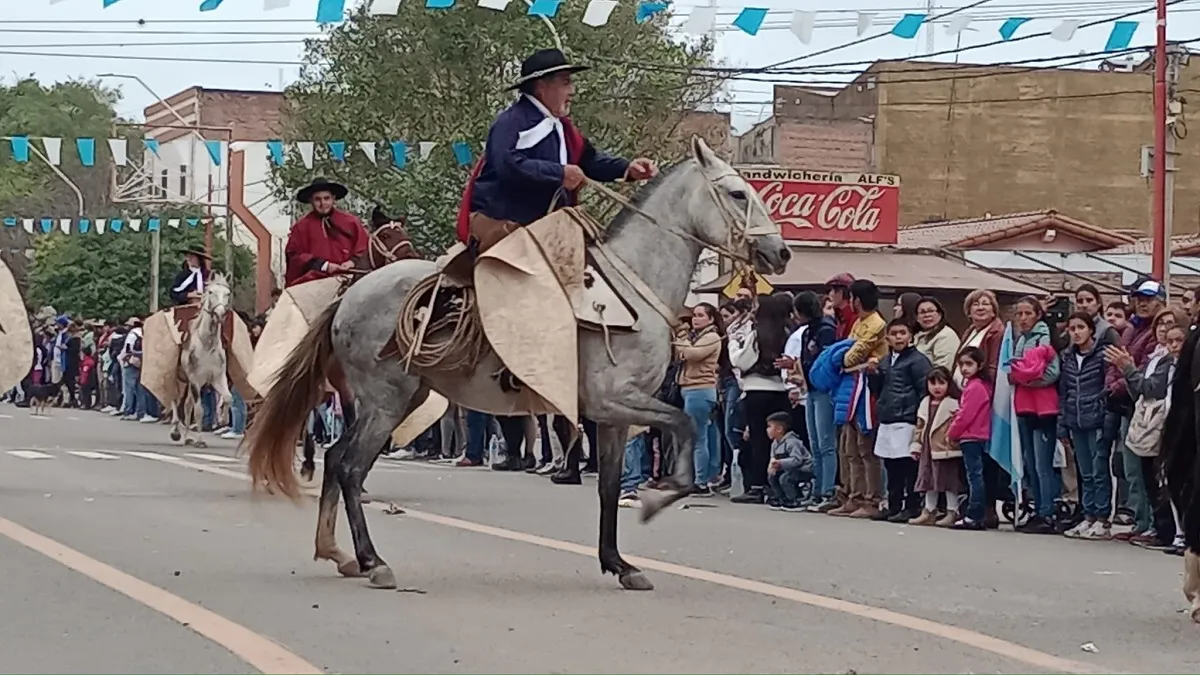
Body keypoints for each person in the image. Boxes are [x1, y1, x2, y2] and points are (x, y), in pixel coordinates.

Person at [458, 48, 657, 253]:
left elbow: (589, 161)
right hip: (502, 224)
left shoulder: (563, 128)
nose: (573, 91)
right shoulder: (510, 122)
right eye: (566, 83)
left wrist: (627, 168)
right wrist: (560, 173)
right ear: (541, 87)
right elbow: (507, 165)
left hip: (546, 227)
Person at [1107, 307, 1188, 548]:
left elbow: (1152, 388)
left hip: (1165, 423)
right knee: (1138, 474)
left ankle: (1165, 529)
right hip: (1144, 419)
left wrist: (1128, 369)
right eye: (1161, 324)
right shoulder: (1156, 354)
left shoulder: (1171, 361)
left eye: (1170, 323)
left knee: (1160, 479)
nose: (1164, 329)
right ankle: (1146, 523)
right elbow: (1138, 391)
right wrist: (1129, 371)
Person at [1104, 276, 1167, 540]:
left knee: (1145, 469)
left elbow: (1137, 369)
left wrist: (1118, 381)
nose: (1142, 304)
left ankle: (1152, 523)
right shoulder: (1132, 329)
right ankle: (1141, 522)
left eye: (1148, 299)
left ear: (1161, 301)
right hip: (1128, 406)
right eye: (1138, 299)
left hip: (1147, 408)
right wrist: (1113, 382)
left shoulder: (1156, 334)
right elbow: (1115, 362)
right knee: (1130, 468)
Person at [829, 278, 887, 519]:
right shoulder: (860, 322)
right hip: (850, 386)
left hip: (866, 389)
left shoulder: (875, 324)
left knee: (865, 448)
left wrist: (838, 358)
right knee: (848, 447)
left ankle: (871, 499)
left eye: (851, 298)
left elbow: (851, 356)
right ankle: (852, 496)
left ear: (858, 300)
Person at [728, 294, 792, 504]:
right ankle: (776, 484)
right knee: (778, 439)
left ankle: (757, 486)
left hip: (757, 389)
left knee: (758, 439)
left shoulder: (757, 334)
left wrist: (732, 345)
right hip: (781, 390)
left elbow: (741, 361)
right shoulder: (788, 332)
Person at [1008, 296, 1062, 534]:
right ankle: (1037, 507)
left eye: (1028, 313)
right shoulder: (1020, 339)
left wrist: (1025, 378)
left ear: (1038, 315)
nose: (1023, 318)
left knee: (1042, 464)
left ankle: (1047, 512)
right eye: (1019, 314)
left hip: (1043, 406)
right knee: (1030, 462)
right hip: (1025, 405)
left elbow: (1051, 372)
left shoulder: (1043, 338)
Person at [871, 318, 932, 523]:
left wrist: (920, 415)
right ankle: (894, 504)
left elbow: (924, 389)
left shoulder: (918, 361)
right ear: (887, 338)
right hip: (888, 417)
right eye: (894, 333)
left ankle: (912, 506)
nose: (899, 337)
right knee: (891, 464)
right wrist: (873, 375)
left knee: (908, 465)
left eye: (903, 333)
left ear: (910, 336)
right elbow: (877, 390)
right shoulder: (885, 361)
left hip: (907, 417)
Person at [1057, 312, 1111, 540]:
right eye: (1072, 328)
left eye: (1081, 327)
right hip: (1075, 421)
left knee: (1099, 471)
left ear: (1091, 330)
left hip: (1096, 420)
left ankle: (1102, 519)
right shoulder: (1068, 357)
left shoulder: (1101, 356)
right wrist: (1063, 424)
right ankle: (1088, 516)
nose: (1077, 332)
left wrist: (1104, 414)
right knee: (1085, 472)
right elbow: (1064, 392)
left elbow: (1107, 387)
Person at [784, 292, 838, 507]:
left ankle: (827, 490)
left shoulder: (826, 330)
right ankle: (816, 489)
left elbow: (825, 361)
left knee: (826, 443)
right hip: (810, 389)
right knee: (814, 443)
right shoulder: (808, 332)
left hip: (824, 388)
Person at [285, 178, 370, 287]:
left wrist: (353, 262)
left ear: (333, 199)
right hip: (313, 282)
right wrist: (324, 265)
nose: (323, 203)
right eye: (317, 199)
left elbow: (364, 247)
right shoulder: (301, 227)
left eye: (326, 198)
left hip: (351, 278)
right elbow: (294, 255)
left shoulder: (351, 222)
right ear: (311, 200)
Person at [674, 303, 724, 493]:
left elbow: (692, 354)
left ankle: (700, 481)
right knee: (707, 436)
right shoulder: (699, 337)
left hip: (699, 389)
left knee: (698, 438)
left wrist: (681, 338)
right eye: (694, 315)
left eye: (700, 315)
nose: (695, 319)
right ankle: (709, 475)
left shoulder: (711, 337)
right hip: (693, 389)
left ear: (711, 319)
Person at [909, 366, 964, 527]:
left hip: (945, 449)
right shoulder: (924, 403)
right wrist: (916, 445)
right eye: (932, 383)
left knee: (949, 481)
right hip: (927, 448)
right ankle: (928, 510)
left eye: (941, 383)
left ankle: (952, 511)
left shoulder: (953, 404)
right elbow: (919, 426)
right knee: (928, 479)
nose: (937, 387)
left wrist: (952, 442)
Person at [949, 347, 992, 530]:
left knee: (974, 476)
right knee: (975, 475)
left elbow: (967, 415)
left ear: (979, 365)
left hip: (971, 435)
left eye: (969, 364)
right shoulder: (978, 386)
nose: (964, 368)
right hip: (976, 434)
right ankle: (976, 513)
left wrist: (952, 432)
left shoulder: (975, 387)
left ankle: (974, 514)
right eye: (961, 364)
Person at [765, 411, 813, 511]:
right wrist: (772, 467)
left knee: (785, 478)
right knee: (772, 477)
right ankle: (781, 498)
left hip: (803, 469)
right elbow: (773, 457)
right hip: (788, 468)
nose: (767, 430)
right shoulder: (775, 443)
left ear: (779, 429)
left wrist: (781, 463)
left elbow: (797, 460)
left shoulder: (792, 442)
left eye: (769, 426)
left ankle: (794, 500)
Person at [913, 296, 961, 370]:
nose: (927, 315)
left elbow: (943, 368)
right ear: (917, 318)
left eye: (931, 311)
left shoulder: (946, 335)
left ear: (940, 314)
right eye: (922, 312)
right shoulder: (916, 336)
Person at [825, 273, 858, 340]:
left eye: (833, 290)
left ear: (841, 292)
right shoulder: (840, 317)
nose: (830, 294)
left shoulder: (854, 318)